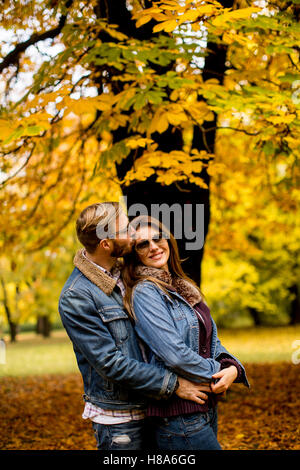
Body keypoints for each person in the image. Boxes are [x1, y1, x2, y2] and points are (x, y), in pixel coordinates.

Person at [58, 202, 212, 451]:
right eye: (124, 230)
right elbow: (110, 363)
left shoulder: (129, 273)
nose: (132, 232)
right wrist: (174, 384)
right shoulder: (77, 297)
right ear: (106, 244)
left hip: (155, 408)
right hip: (121, 420)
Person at [122, 215, 250, 450]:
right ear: (134, 253)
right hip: (177, 417)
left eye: (157, 238)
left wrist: (233, 368)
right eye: (142, 244)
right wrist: (219, 372)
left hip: (205, 408)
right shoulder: (145, 293)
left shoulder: (183, 286)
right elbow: (175, 355)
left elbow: (212, 341)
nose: (153, 246)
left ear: (168, 240)